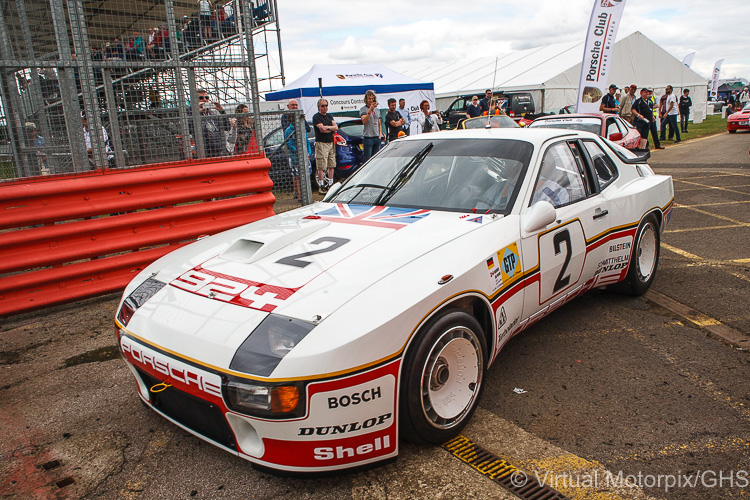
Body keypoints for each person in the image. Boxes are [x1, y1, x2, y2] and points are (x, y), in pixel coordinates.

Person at [194, 88, 229, 157]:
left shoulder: (212, 114)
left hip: (218, 149)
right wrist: (197, 111)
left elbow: (227, 127)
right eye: (201, 98)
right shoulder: (191, 113)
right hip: (204, 151)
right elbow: (191, 128)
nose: (204, 100)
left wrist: (222, 111)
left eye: (206, 98)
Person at [312, 98, 337, 195]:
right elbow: (321, 129)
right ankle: (321, 185)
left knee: (331, 163)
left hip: (331, 142)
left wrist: (328, 128)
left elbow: (336, 127)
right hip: (321, 143)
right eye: (322, 106)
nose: (325, 107)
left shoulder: (330, 116)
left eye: (326, 105)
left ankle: (331, 183)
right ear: (319, 107)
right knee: (321, 164)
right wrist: (330, 128)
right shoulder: (316, 117)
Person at [360, 90, 382, 162]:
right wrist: (369, 110)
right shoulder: (363, 109)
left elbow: (379, 123)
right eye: (369, 98)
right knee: (367, 160)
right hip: (368, 137)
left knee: (375, 160)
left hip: (376, 136)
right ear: (366, 99)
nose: (371, 100)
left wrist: (379, 136)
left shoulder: (377, 110)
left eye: (372, 98)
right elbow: (364, 121)